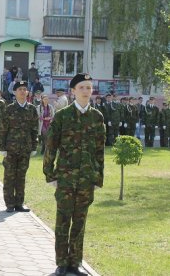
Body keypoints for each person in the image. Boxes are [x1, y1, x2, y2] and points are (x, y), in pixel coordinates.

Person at [43, 73, 105, 276]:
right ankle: (61, 263)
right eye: (82, 88)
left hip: (86, 179)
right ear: (73, 91)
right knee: (63, 220)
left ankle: (75, 263)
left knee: (80, 221)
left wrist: (98, 177)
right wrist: (50, 173)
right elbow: (51, 146)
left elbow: (99, 151)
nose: (86, 91)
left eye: (89, 88)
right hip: (66, 178)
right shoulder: (62, 116)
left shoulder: (97, 117)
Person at [0, 80, 38, 213]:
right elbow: (3, 129)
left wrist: (34, 146)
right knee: (9, 177)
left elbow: (34, 129)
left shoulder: (31, 109)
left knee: (21, 177)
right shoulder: (9, 109)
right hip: (10, 149)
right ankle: (9, 204)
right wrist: (2, 148)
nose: (22, 91)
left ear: (27, 92)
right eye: (19, 89)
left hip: (25, 148)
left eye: (24, 89)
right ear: (15, 92)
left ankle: (19, 204)